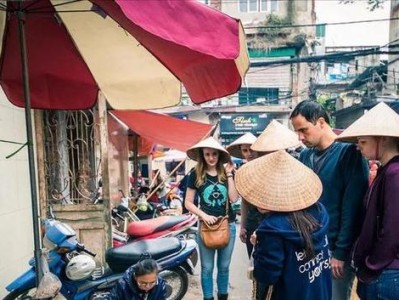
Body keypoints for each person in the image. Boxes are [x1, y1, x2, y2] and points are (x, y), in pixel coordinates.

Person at [290, 100, 369, 300]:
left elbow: (351, 209)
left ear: (321, 122)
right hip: (309, 246)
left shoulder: (349, 153)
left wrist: (341, 253)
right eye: (297, 132)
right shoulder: (305, 156)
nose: (300, 137)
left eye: (304, 130)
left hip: (335, 248)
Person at [235, 150, 332, 300]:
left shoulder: (271, 229)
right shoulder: (319, 211)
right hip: (319, 292)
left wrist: (259, 246)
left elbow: (266, 275)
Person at [335, 102, 399, 300]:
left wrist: (372, 265)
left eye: (363, 142)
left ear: (384, 139)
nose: (358, 147)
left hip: (387, 273)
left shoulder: (395, 173)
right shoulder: (386, 171)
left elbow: (392, 229)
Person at [185, 136, 239, 300]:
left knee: (224, 267)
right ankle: (208, 297)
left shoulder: (226, 173)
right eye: (207, 154)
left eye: (214, 154)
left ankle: (223, 296)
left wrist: (230, 175)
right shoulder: (195, 173)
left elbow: (234, 198)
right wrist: (204, 215)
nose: (211, 158)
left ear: (219, 155)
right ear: (202, 155)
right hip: (206, 227)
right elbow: (188, 202)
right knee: (207, 268)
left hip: (227, 225)